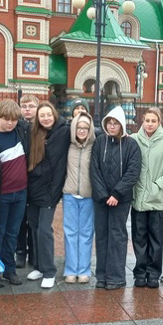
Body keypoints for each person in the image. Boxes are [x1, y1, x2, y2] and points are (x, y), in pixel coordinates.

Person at [90, 106, 141, 290]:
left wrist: (117, 193)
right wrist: (104, 195)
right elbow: (94, 169)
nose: (112, 127)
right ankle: (102, 276)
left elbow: (133, 171)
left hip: (121, 199)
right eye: (109, 123)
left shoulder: (131, 145)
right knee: (102, 235)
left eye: (115, 124)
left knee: (117, 236)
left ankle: (116, 277)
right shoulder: (99, 142)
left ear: (121, 125)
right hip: (102, 199)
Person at [0, 99, 30, 286]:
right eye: (6, 118)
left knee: (13, 233)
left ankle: (9, 270)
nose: (10, 122)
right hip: (2, 194)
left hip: (21, 193)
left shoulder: (21, 132)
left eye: (14, 119)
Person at [131, 108, 163, 288]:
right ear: (142, 122)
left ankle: (153, 273)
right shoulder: (134, 140)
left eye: (153, 121)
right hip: (138, 200)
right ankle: (140, 272)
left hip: (157, 201)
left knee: (156, 240)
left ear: (159, 123)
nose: (150, 124)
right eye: (147, 120)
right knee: (139, 238)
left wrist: (158, 184)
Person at [26, 102, 70, 288]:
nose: (45, 118)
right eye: (41, 115)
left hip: (51, 190)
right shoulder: (34, 133)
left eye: (48, 114)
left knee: (44, 230)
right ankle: (39, 266)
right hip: (34, 188)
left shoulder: (64, 131)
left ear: (54, 114)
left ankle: (49, 271)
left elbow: (89, 129)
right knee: (34, 229)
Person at [62, 111, 95, 283]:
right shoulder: (68, 145)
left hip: (89, 196)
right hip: (70, 195)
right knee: (70, 232)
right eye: (79, 127)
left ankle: (84, 270)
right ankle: (70, 269)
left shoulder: (95, 145)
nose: (82, 130)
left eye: (86, 128)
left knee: (86, 233)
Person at [15, 94, 39, 269]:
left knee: (34, 219)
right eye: (24, 106)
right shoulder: (16, 126)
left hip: (36, 180)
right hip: (19, 179)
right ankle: (20, 252)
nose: (28, 109)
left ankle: (34, 252)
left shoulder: (42, 127)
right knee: (20, 219)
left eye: (31, 106)